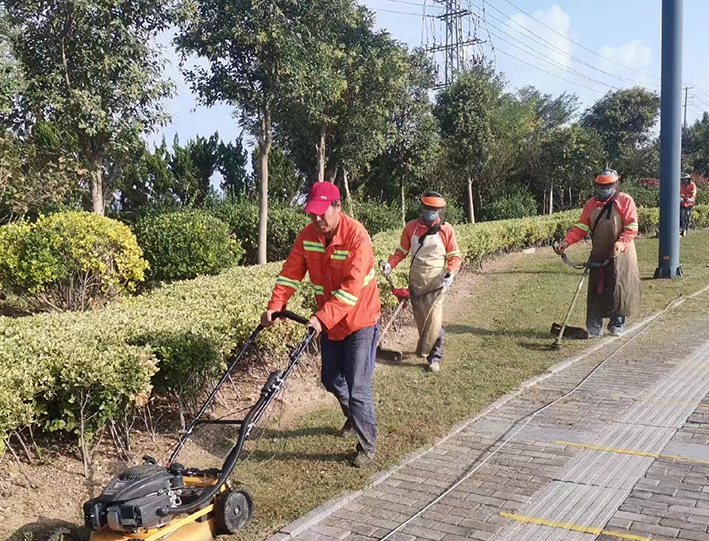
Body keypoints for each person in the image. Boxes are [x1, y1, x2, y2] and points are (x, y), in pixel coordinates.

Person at [261, 182, 381, 468]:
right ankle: (353, 416)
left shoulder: (357, 237)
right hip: (331, 322)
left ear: (338, 207)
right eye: (311, 213)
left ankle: (367, 446)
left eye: (321, 213)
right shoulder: (308, 236)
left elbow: (350, 291)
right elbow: (290, 273)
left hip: (360, 320)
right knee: (329, 378)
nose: (316, 219)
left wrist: (320, 318)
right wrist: (275, 305)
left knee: (358, 386)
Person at [555, 170, 641, 337]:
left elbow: (632, 227)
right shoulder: (591, 204)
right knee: (596, 291)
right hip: (599, 253)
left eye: (608, 185)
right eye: (601, 186)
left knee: (618, 289)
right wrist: (566, 242)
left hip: (621, 254)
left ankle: (617, 325)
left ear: (616, 184)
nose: (604, 188)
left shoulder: (625, 200)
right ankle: (595, 327)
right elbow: (581, 227)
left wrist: (620, 242)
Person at [383, 192, 462, 372]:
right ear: (423, 208)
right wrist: (390, 264)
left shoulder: (446, 230)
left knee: (435, 319)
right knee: (421, 321)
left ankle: (435, 358)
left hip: (436, 281)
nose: (431, 212)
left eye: (434, 209)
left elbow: (455, 257)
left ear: (440, 210)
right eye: (428, 208)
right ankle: (425, 350)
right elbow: (400, 252)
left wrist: (451, 274)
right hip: (417, 280)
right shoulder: (411, 227)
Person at [680, 172, 698, 237]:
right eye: (683, 179)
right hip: (682, 204)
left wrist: (691, 199)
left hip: (689, 203)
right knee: (682, 217)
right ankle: (681, 229)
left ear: (688, 179)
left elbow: (694, 193)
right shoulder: (680, 185)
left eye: (686, 179)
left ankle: (685, 229)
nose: (685, 180)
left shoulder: (692, 185)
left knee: (687, 217)